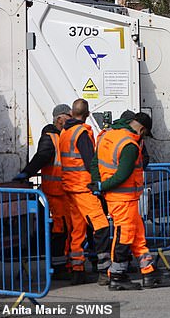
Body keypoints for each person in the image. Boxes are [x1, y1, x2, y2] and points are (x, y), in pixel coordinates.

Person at [90, 112, 166, 290]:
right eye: (144, 134)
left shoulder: (106, 135)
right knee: (124, 237)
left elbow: (95, 163)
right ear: (142, 129)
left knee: (136, 235)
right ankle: (117, 276)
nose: (143, 138)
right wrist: (102, 186)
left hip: (117, 197)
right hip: (123, 198)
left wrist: (99, 185)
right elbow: (123, 175)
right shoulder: (129, 145)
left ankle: (148, 271)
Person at [15, 104, 73, 279]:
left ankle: (64, 264)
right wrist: (26, 173)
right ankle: (58, 267)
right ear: (59, 118)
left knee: (65, 230)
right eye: (68, 116)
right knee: (59, 230)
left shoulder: (61, 136)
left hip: (64, 192)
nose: (71, 119)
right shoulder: (51, 137)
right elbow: (41, 157)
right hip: (56, 193)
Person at [59, 99, 110, 286]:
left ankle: (77, 270)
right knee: (101, 225)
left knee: (77, 231)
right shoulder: (82, 133)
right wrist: (99, 182)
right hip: (83, 187)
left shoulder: (65, 132)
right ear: (87, 114)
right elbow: (90, 161)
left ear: (72, 113)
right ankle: (105, 270)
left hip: (70, 188)